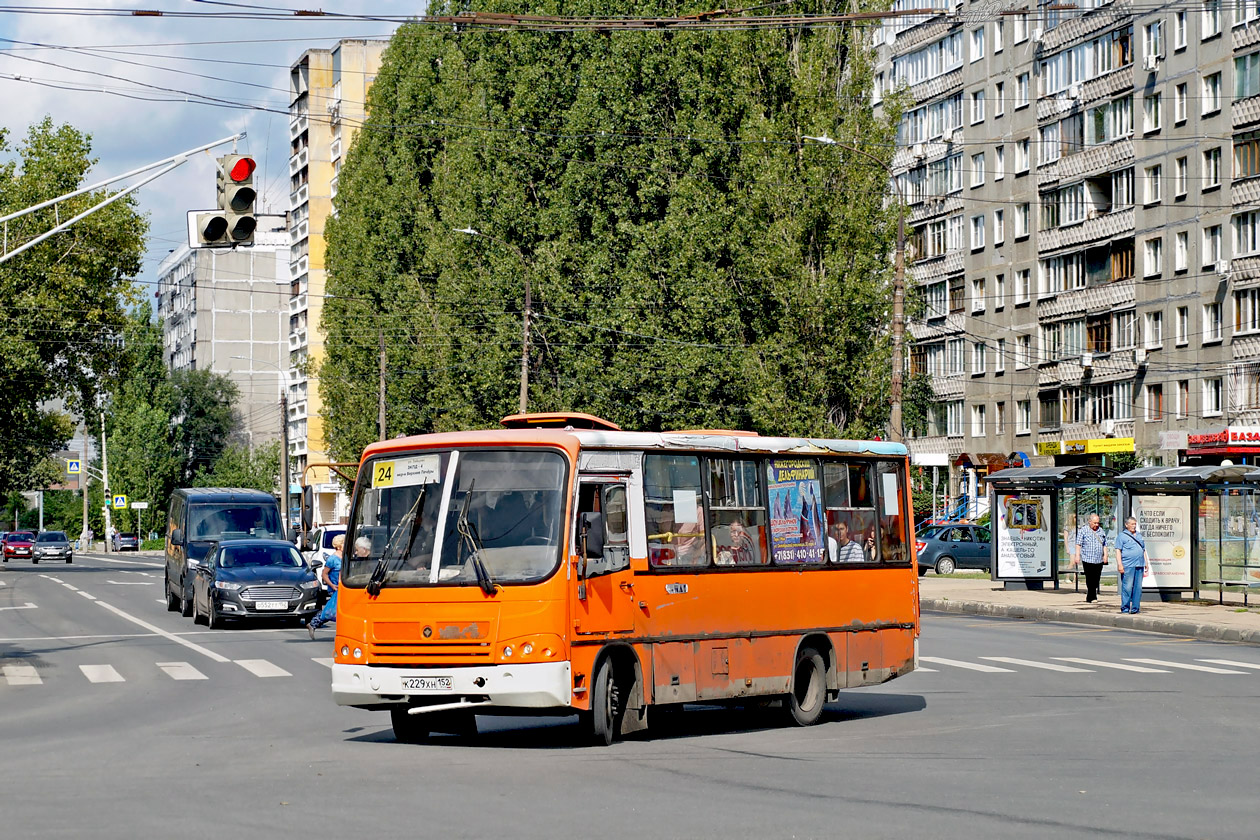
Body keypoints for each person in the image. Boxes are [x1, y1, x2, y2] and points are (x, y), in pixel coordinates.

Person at [308, 534, 347, 638]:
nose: (345, 544)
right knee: (331, 611)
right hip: (335, 587)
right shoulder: (332, 559)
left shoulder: (346, 556)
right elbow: (324, 574)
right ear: (338, 545)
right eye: (343, 543)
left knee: (340, 610)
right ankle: (313, 623)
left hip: (344, 586)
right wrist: (332, 585)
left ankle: (314, 624)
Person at [1115, 517, 1151, 614]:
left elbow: (1143, 549)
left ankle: (1135, 608)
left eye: (1135, 524)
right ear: (1126, 525)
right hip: (1128, 565)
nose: (1134, 526)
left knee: (1138, 588)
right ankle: (1125, 608)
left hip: (1139, 564)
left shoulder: (1139, 535)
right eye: (1132, 524)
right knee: (1127, 587)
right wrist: (1120, 564)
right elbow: (1118, 550)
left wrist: (1146, 562)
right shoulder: (1122, 536)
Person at [1075, 513, 1108, 603]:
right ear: (1089, 522)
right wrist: (1077, 555)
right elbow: (1078, 544)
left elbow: (1105, 544)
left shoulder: (1101, 531)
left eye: (1098, 523)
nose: (1096, 525)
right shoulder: (1083, 530)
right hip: (1087, 558)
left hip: (1098, 559)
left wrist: (1106, 555)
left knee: (1096, 578)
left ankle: (1091, 595)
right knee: (1090, 578)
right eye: (1094, 523)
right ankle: (1092, 596)